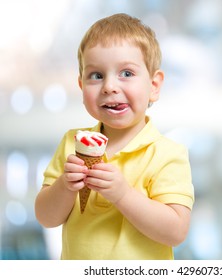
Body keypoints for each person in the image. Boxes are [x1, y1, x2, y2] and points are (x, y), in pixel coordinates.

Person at [35, 13, 194, 260]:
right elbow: (46, 217)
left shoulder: (167, 154)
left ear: (154, 85)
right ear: (81, 86)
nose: (109, 86)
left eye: (126, 74)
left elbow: (176, 231)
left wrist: (123, 194)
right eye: (96, 76)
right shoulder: (72, 143)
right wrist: (64, 186)